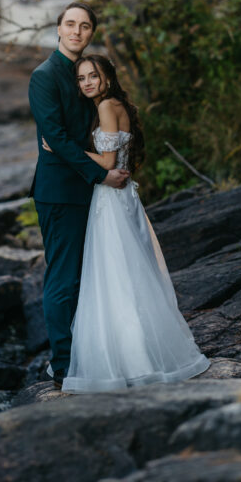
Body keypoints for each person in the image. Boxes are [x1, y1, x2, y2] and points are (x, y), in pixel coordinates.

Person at [58, 53, 210, 392]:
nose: (87, 83)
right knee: (130, 273)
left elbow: (109, 160)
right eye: (81, 78)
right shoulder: (117, 105)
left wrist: (64, 148)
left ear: (108, 78)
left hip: (111, 201)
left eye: (93, 76)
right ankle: (144, 353)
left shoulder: (105, 107)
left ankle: (132, 361)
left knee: (115, 276)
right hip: (123, 198)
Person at [28, 4, 130, 390]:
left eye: (84, 26)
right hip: (61, 193)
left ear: (90, 34)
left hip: (92, 194)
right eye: (70, 24)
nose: (76, 31)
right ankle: (65, 366)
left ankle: (91, 354)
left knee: (92, 279)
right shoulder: (44, 76)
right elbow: (54, 137)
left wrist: (113, 165)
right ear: (58, 29)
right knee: (64, 280)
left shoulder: (85, 76)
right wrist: (102, 174)